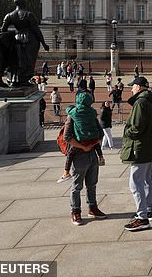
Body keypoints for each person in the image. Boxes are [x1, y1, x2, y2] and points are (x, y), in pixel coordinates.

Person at [61, 90, 107, 225]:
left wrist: (87, 147)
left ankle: (92, 208)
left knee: (91, 184)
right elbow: (67, 137)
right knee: (78, 185)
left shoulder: (75, 114)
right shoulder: (87, 114)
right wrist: (86, 147)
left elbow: (67, 137)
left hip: (88, 152)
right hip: (81, 155)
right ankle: (75, 211)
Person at [120, 76, 152, 231]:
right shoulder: (151, 101)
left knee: (135, 183)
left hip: (140, 148)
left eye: (133, 86)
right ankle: (148, 210)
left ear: (139, 87)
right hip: (150, 146)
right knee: (146, 180)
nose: (131, 89)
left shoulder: (140, 103)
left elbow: (136, 128)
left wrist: (127, 131)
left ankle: (141, 217)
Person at [0, 0, 50, 86]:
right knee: (28, 61)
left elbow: (3, 30)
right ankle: (24, 80)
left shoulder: (9, 15)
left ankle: (14, 78)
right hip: (29, 39)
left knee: (15, 60)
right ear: (24, 3)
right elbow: (36, 30)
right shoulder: (29, 15)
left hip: (15, 38)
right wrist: (43, 43)